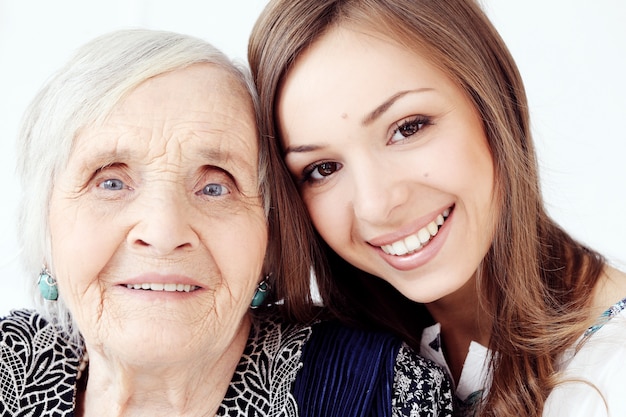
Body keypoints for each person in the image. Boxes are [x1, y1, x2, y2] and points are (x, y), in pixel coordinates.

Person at [0, 29, 454, 416]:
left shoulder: (378, 392)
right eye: (111, 183)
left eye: (215, 187)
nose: (163, 232)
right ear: (45, 221)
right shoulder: (8, 362)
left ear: (270, 238)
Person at [247, 1, 626, 416]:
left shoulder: (612, 375)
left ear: (493, 101)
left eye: (407, 128)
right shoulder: (329, 370)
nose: (376, 205)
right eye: (323, 169)